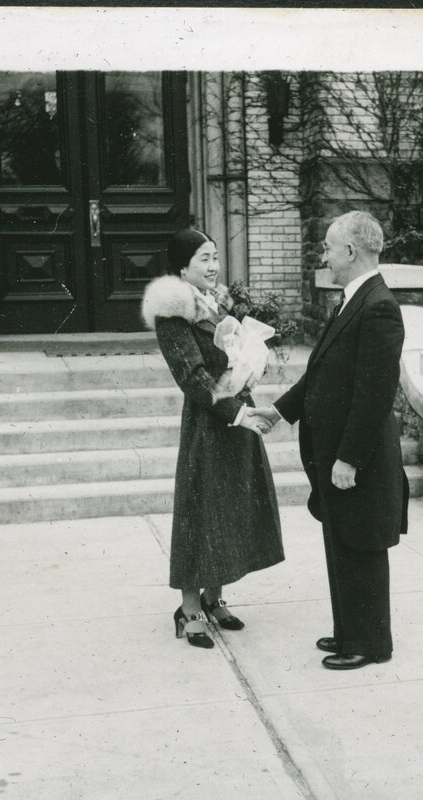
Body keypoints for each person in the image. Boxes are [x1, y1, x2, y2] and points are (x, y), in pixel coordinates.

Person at [258, 211, 409, 670]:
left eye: (327, 247)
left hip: (354, 456)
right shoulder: (353, 300)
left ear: (350, 251)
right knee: (343, 540)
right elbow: (322, 374)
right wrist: (280, 410)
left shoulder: (379, 305)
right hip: (337, 452)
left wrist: (349, 459)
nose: (323, 256)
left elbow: (374, 395)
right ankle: (350, 632)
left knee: (360, 544)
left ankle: (369, 644)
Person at [141, 228, 284, 649]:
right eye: (204, 259)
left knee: (230, 509)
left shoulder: (214, 304)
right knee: (201, 512)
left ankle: (214, 597)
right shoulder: (172, 313)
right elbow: (192, 377)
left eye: (216, 257)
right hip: (210, 423)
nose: (213, 266)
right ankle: (188, 611)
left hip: (233, 416)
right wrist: (238, 411)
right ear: (182, 267)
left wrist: (248, 365)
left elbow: (229, 357)